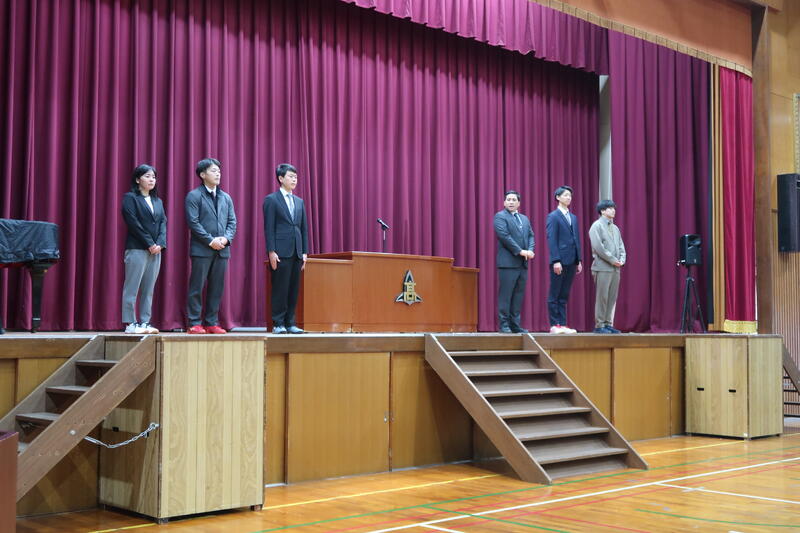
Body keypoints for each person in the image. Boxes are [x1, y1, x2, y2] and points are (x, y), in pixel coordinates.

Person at [185, 157, 237, 334]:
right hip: (202, 250)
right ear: (202, 174)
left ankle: (211, 322)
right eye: (214, 171)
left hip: (222, 250)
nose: (218, 174)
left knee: (216, 288)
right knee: (197, 287)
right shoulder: (194, 196)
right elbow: (193, 222)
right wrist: (210, 240)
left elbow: (232, 222)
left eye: (219, 171)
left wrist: (226, 239)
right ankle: (194, 322)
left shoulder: (226, 197)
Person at [263, 163, 309, 334]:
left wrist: (304, 252)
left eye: (296, 177)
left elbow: (303, 228)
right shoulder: (271, 200)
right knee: (280, 288)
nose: (294, 179)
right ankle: (278, 323)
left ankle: (290, 323)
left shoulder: (299, 202)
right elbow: (269, 228)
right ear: (281, 178)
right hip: (280, 252)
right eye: (291, 176)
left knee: (293, 289)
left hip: (297, 251)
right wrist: (271, 251)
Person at [121, 164, 166, 334]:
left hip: (156, 251)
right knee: (132, 287)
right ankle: (130, 323)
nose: (151, 180)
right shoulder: (130, 198)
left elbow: (163, 223)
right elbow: (133, 223)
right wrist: (149, 243)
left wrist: (160, 243)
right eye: (147, 176)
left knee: (149, 289)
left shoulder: (158, 201)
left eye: (153, 177)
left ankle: (145, 322)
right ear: (137, 179)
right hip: (137, 249)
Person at [494, 190, 535, 333]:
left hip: (522, 263)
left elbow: (531, 235)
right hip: (507, 263)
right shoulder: (500, 216)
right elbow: (504, 237)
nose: (511, 202)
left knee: (518, 295)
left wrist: (530, 250)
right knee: (506, 295)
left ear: (519, 203)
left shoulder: (524, 218)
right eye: (508, 199)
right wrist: (521, 251)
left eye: (514, 200)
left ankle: (515, 325)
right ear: (504, 202)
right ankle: (504, 325)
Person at [546, 185, 581, 334]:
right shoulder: (553, 216)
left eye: (570, 195)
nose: (568, 198)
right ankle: (555, 324)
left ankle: (563, 324)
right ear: (558, 197)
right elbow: (552, 239)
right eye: (565, 195)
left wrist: (579, 260)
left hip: (572, 260)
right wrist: (556, 260)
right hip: (559, 260)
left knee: (564, 294)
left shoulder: (573, 217)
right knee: (555, 293)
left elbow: (576, 239)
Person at [589, 199, 626, 333]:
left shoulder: (615, 228)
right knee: (602, 297)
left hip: (615, 268)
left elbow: (621, 246)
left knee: (612, 297)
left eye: (614, 208)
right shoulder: (596, 226)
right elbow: (599, 247)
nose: (613, 210)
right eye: (610, 208)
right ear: (602, 211)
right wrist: (612, 260)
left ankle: (608, 323)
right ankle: (599, 325)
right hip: (602, 268)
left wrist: (622, 260)